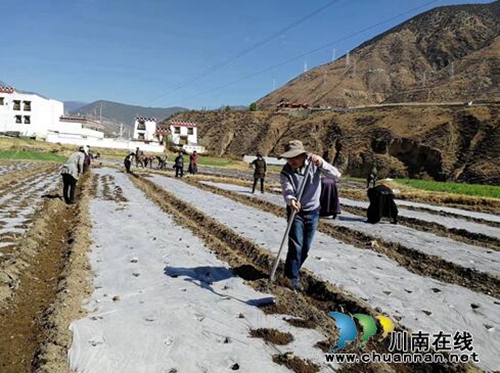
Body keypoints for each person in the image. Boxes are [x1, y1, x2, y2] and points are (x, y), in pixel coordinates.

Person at [279, 140, 341, 291]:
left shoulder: (314, 164)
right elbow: (287, 190)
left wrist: (321, 164)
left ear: (303, 155)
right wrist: (291, 200)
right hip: (296, 212)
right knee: (296, 246)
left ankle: (290, 272)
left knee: (305, 248)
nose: (291, 161)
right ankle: (291, 280)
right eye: (289, 158)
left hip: (313, 212)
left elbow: (336, 175)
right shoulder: (286, 172)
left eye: (294, 157)